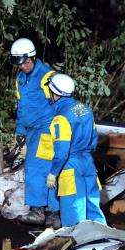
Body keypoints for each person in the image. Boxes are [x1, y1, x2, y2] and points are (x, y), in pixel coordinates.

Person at [45, 73, 107, 227]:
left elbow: (62, 151)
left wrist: (53, 173)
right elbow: (93, 140)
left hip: (70, 166)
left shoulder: (61, 118)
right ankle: (102, 239)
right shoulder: (85, 109)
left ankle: (77, 245)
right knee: (93, 205)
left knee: (73, 208)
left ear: (54, 93)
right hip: (88, 163)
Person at [10, 37, 60, 228]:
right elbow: (21, 106)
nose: (23, 66)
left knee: (38, 168)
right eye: (19, 63)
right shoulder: (21, 78)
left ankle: (41, 211)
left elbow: (59, 104)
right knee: (42, 169)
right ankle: (51, 212)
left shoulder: (47, 77)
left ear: (32, 56)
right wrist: (20, 130)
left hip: (45, 130)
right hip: (31, 131)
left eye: (26, 61)